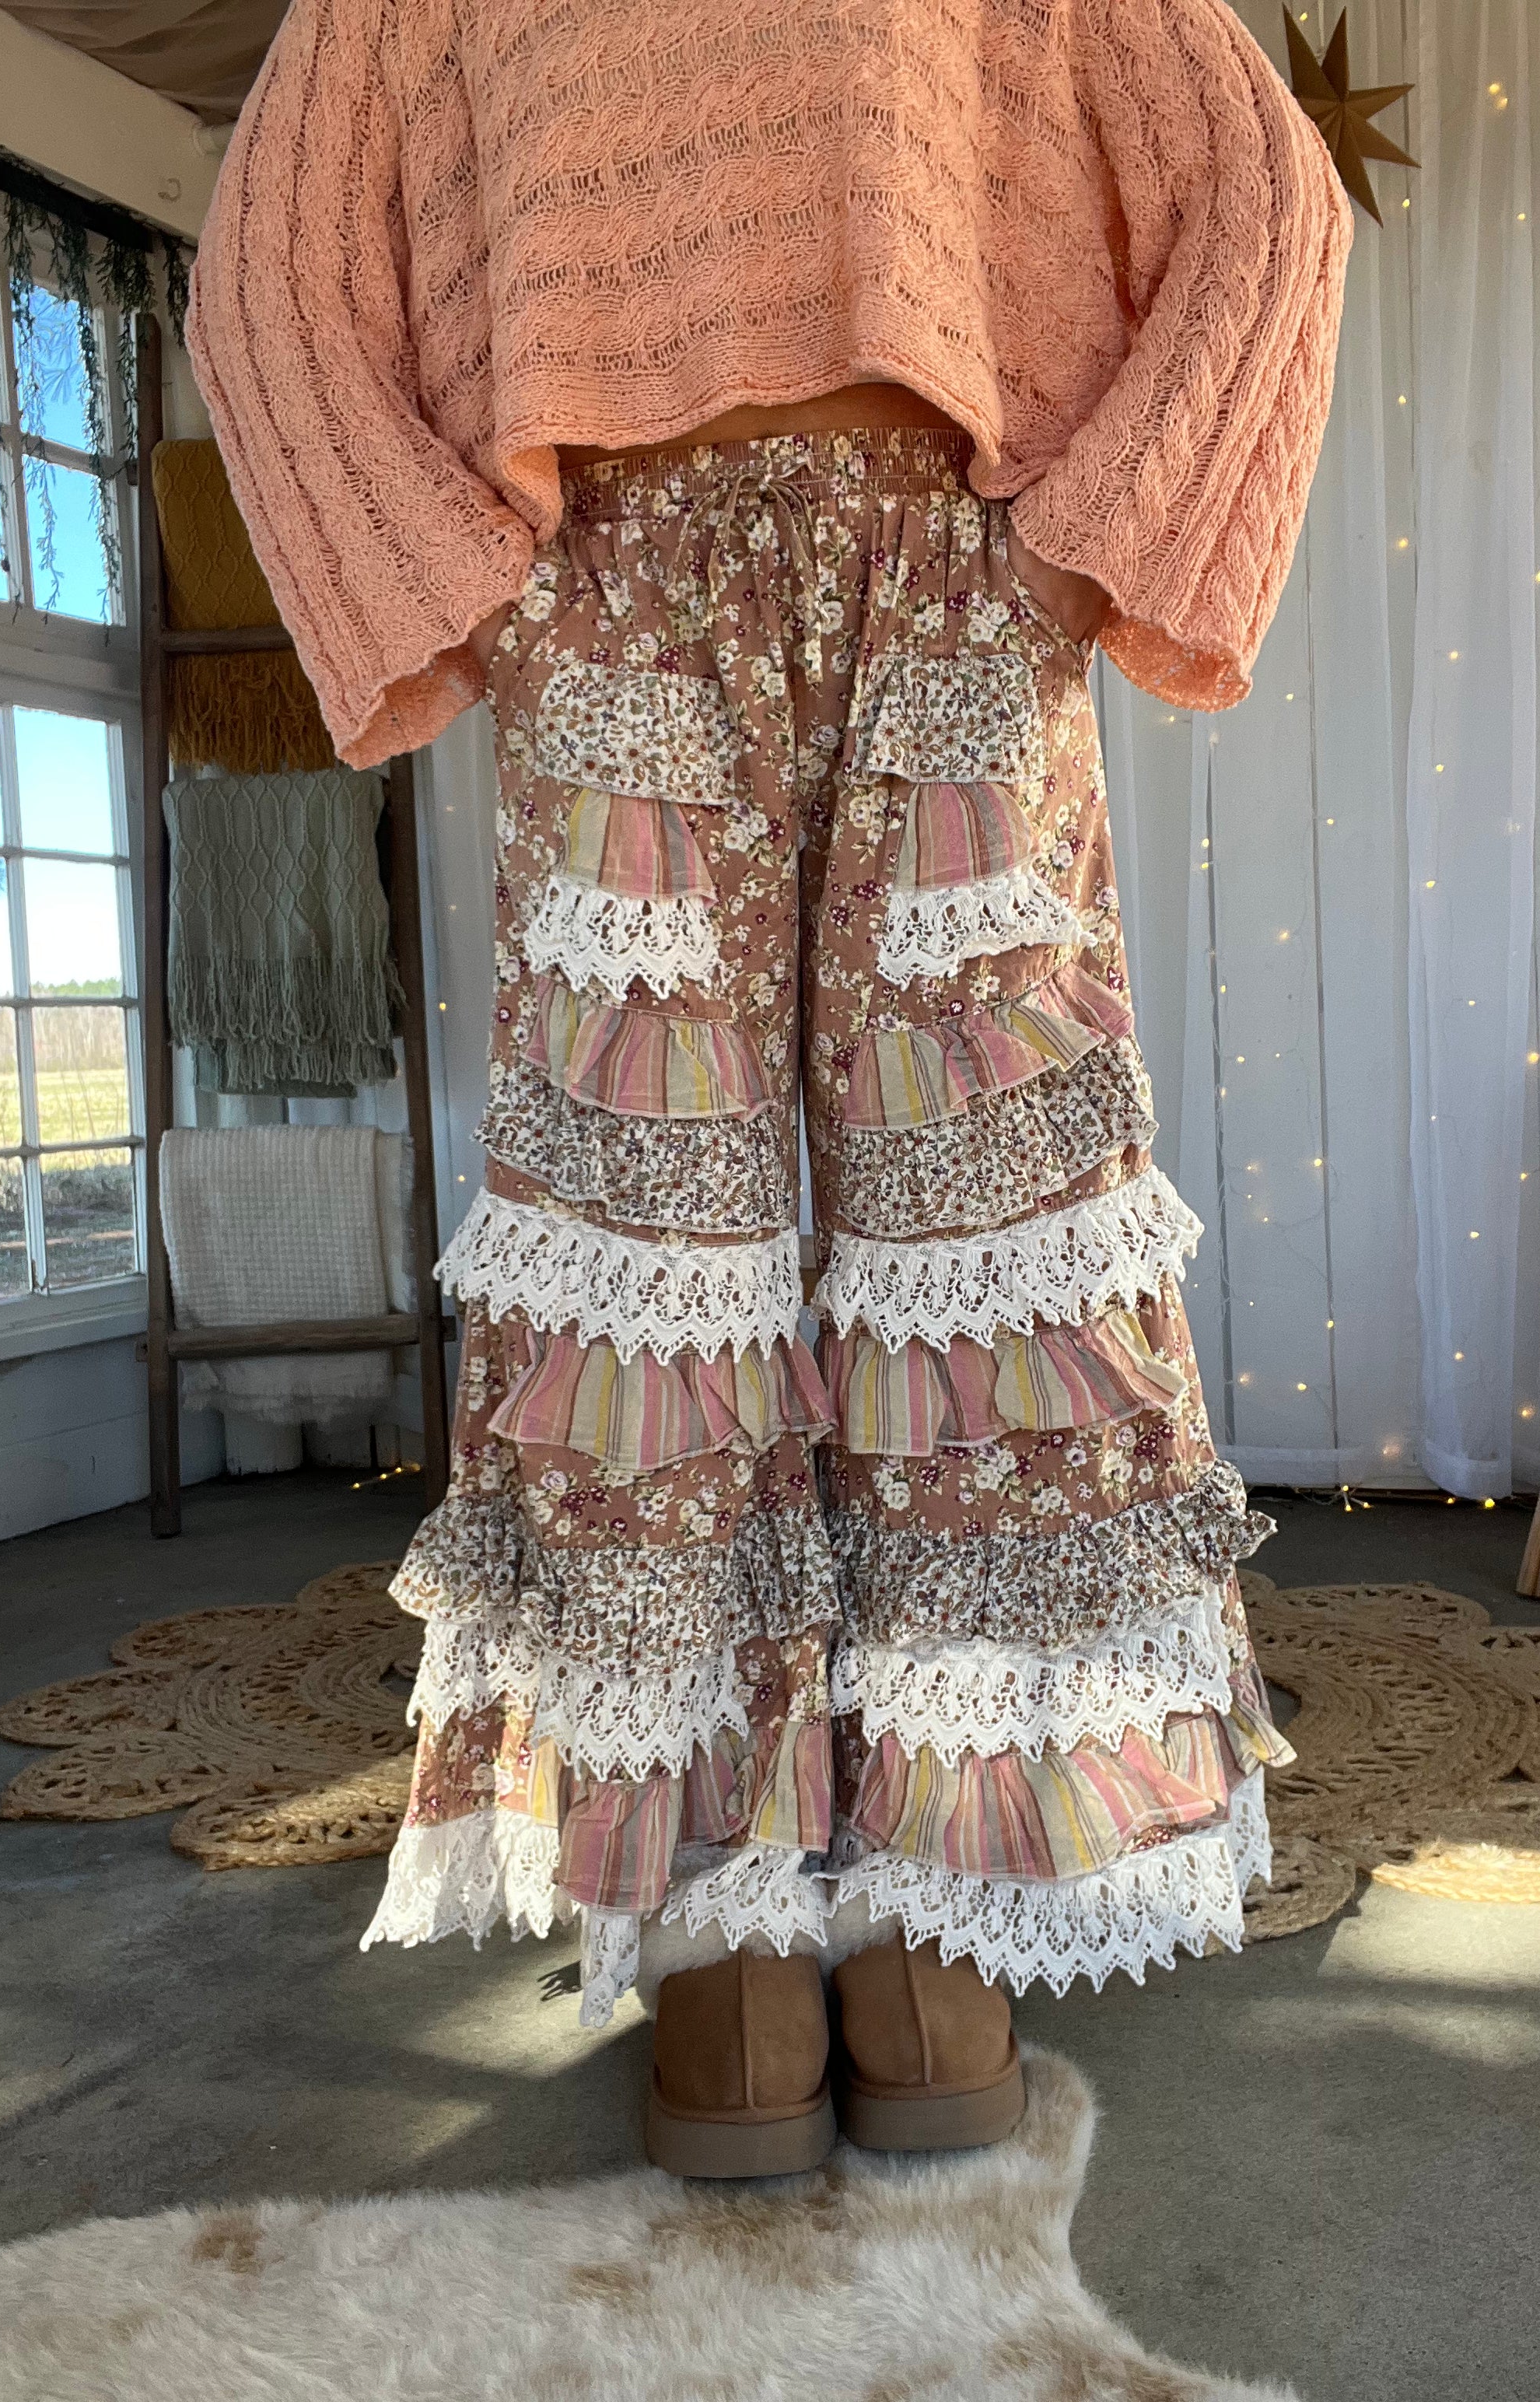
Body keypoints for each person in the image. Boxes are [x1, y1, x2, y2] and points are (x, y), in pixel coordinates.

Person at [188, 0, 1349, 2179]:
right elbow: (272, 285)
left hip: (952, 567)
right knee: (654, 1243)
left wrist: (1082, 537)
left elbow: (1267, 203)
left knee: (979, 1229)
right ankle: (721, 1920)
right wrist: (476, 595)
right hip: (614, 590)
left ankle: (941, 1897)